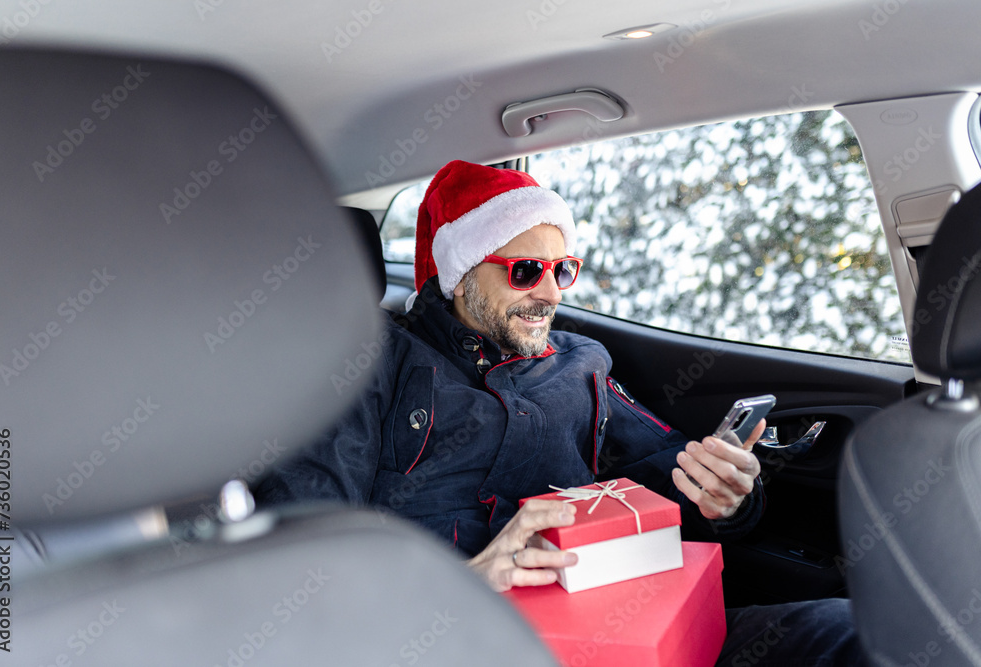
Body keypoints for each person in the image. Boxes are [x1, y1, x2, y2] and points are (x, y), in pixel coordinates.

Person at [257, 160, 865, 665]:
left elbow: (668, 478)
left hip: (629, 628)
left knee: (854, 631)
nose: (550, 293)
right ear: (461, 275)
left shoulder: (581, 363)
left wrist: (726, 499)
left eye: (562, 270)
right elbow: (302, 555)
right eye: (525, 271)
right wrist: (465, 581)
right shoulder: (368, 362)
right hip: (450, 642)